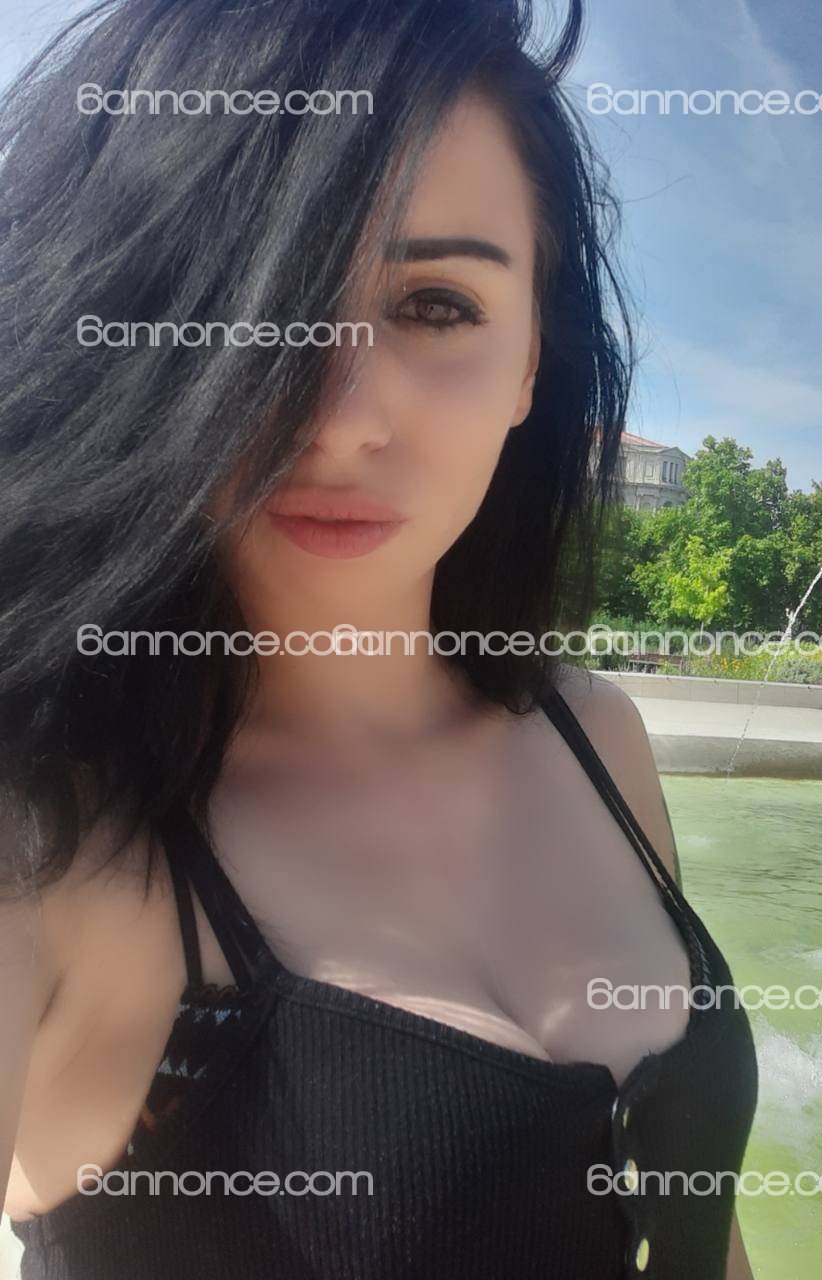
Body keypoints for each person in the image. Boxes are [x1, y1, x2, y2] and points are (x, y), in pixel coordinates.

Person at [0, 1, 757, 1276]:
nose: (340, 417)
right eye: (258, 304)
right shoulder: (58, 834)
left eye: (437, 304)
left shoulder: (595, 734)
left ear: (531, 361)